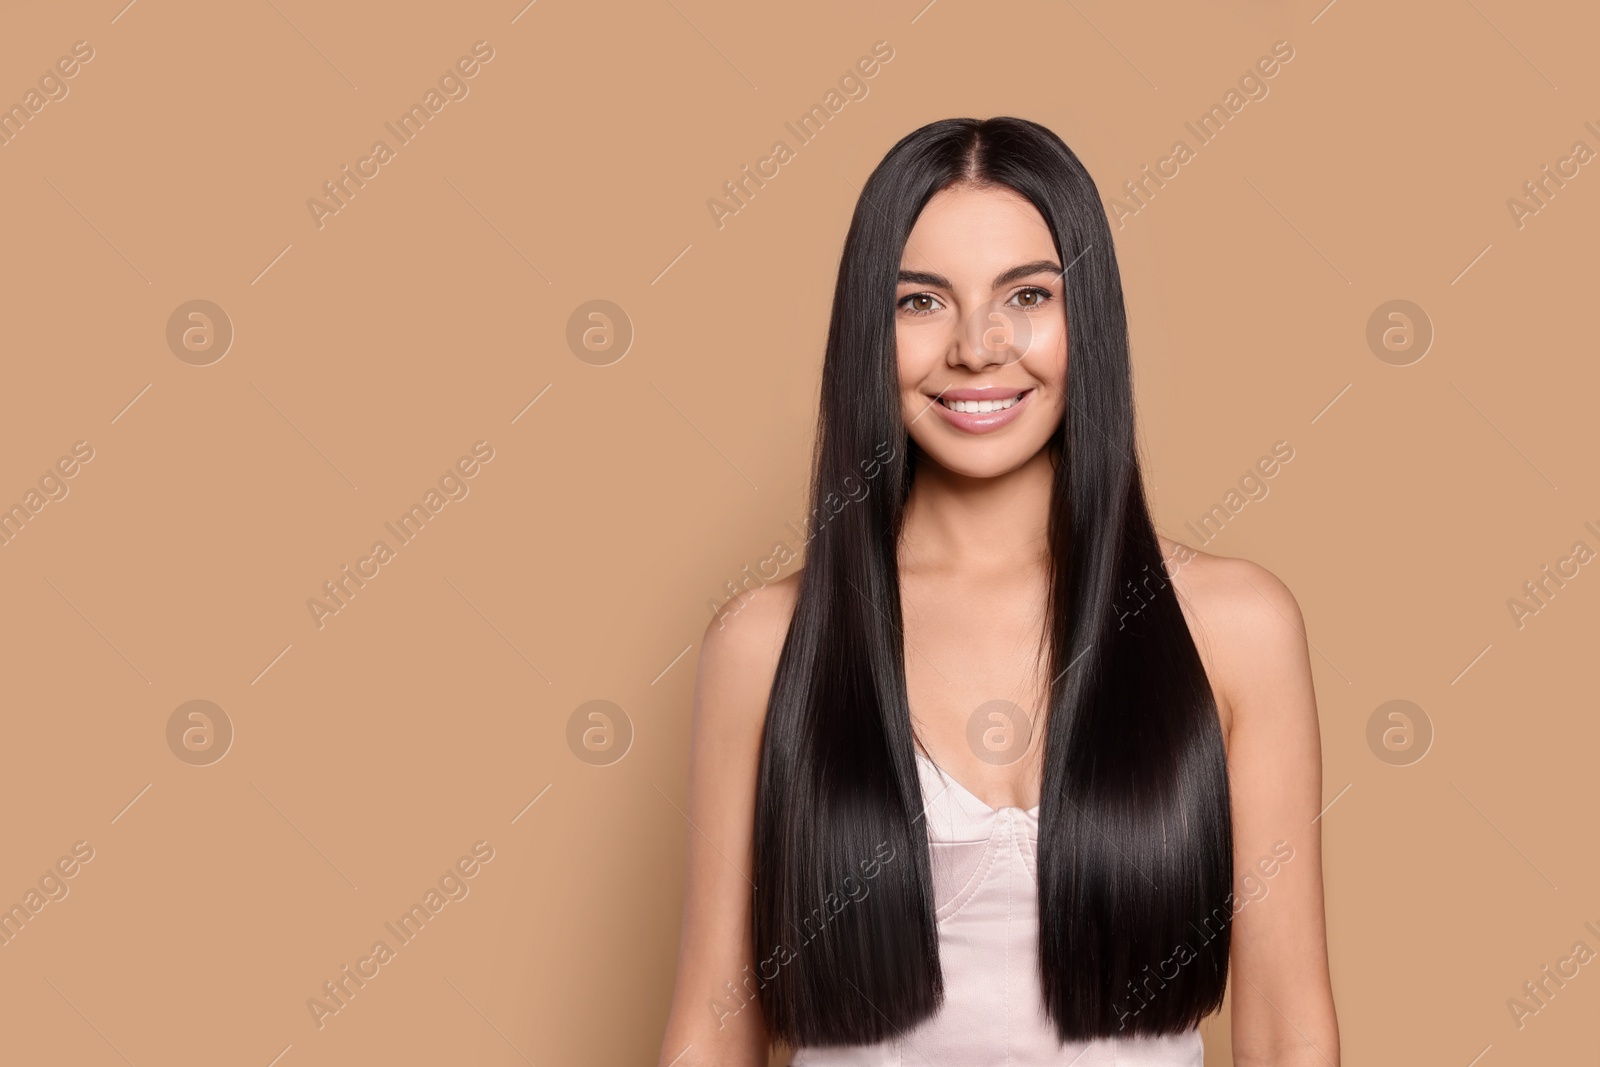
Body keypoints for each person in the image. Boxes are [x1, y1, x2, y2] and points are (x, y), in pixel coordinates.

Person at [658, 116, 1338, 1066]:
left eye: (1026, 294)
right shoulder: (768, 642)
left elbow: (1288, 1031)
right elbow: (711, 1028)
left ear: (1085, 319)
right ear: (868, 331)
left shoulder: (1235, 627)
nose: (978, 347)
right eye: (921, 302)